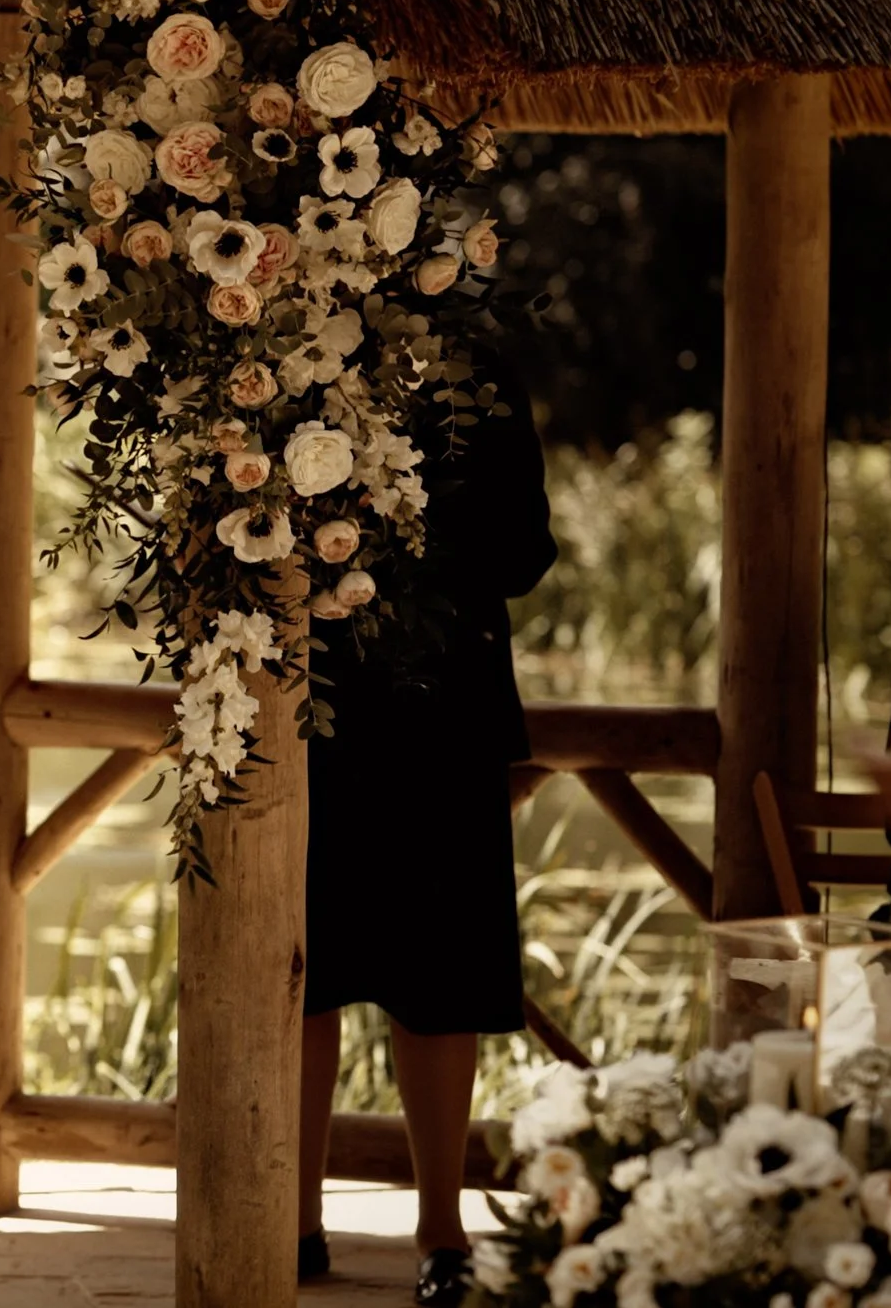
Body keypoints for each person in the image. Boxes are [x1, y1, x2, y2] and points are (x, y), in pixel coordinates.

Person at [295, 376, 556, 1306]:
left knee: (438, 973)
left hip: (445, 707)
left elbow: (525, 554)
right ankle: (297, 1220)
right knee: (298, 965)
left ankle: (439, 1229)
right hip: (311, 697)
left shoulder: (481, 379)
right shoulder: (291, 350)